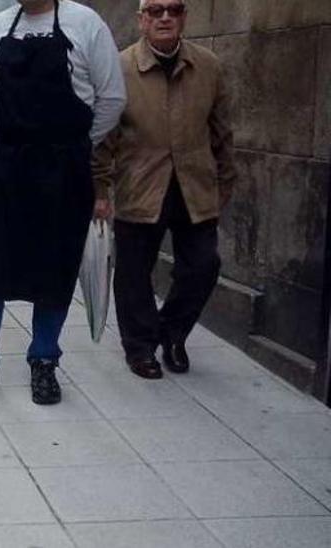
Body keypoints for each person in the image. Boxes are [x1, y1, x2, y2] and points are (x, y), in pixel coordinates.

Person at [0, 0, 126, 405]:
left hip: (63, 167)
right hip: (7, 162)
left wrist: (74, 146)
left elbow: (111, 99)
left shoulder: (85, 23)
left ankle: (43, 361)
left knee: (53, 266)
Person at [93, 0, 235, 379]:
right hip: (139, 184)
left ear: (184, 17)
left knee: (204, 265)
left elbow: (222, 131)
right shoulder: (119, 67)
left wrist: (226, 181)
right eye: (155, 11)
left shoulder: (208, 66)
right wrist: (100, 189)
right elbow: (104, 134)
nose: (165, 17)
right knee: (134, 272)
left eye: (174, 9)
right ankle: (139, 347)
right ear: (142, 20)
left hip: (195, 185)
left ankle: (172, 332)